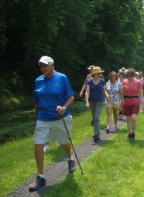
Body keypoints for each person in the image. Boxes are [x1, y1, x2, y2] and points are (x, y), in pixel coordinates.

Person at [30, 56, 75, 192]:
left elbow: (71, 97)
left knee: (64, 142)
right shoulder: (38, 80)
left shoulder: (62, 78)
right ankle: (40, 176)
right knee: (38, 144)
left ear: (52, 65)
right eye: (41, 66)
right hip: (43, 118)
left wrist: (64, 107)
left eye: (45, 65)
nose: (43, 68)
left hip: (60, 117)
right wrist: (36, 114)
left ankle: (70, 158)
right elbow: (36, 99)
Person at [85, 66, 107, 142]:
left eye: (100, 73)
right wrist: (87, 102)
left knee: (97, 117)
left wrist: (108, 99)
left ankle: (96, 134)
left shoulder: (102, 81)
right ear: (94, 74)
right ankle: (96, 133)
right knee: (94, 118)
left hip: (100, 101)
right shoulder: (89, 82)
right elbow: (87, 92)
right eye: (98, 73)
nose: (99, 74)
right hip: (92, 101)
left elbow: (104, 91)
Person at [121, 68, 143, 140]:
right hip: (127, 101)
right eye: (128, 75)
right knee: (128, 119)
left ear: (134, 75)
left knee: (133, 118)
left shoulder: (138, 82)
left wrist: (141, 102)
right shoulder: (124, 82)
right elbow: (122, 93)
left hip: (135, 101)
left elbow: (140, 92)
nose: (130, 77)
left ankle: (133, 133)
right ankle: (130, 133)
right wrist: (123, 89)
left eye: (131, 75)